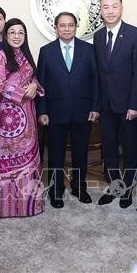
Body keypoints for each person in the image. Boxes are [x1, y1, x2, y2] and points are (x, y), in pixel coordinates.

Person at [36, 12, 99, 208]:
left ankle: (79, 188)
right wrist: (42, 111)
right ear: (56, 28)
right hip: (55, 113)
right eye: (62, 25)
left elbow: (96, 81)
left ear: (75, 27)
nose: (66, 28)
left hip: (83, 110)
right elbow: (41, 84)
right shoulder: (46, 51)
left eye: (70, 25)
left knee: (81, 153)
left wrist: (95, 107)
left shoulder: (89, 50)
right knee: (55, 154)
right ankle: (56, 191)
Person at [93, 0, 137, 208]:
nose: (110, 11)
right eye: (106, 7)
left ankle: (128, 188)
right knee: (110, 149)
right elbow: (97, 73)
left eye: (114, 6)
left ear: (121, 8)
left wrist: (134, 104)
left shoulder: (134, 35)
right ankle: (116, 187)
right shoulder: (97, 36)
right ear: (101, 11)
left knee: (131, 150)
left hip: (127, 105)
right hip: (105, 106)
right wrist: (95, 105)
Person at [0, 18, 45, 217]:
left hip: (29, 115)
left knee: (30, 158)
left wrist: (34, 85)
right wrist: (23, 93)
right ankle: (9, 208)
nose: (17, 36)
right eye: (12, 32)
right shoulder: (0, 56)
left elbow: (33, 79)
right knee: (10, 159)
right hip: (9, 119)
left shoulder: (26, 55)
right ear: (6, 35)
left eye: (21, 33)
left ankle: (31, 205)